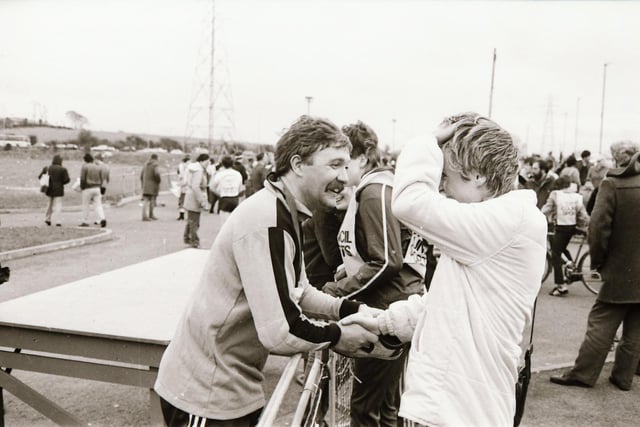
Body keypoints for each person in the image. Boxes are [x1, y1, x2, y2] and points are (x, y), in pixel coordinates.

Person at [154, 116, 379, 426]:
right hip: (206, 394)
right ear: (298, 164)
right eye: (335, 164)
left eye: (346, 166)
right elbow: (280, 332)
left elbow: (300, 293)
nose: (345, 177)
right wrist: (340, 336)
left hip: (230, 388)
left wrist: (355, 310)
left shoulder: (285, 210)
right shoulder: (268, 219)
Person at [342, 113, 547, 426]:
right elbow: (446, 303)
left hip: (462, 409)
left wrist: (428, 140)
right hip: (458, 404)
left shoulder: (509, 220)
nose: (441, 187)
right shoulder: (494, 224)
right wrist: (383, 321)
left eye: (446, 177)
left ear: (477, 175)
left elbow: (410, 202)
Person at [321, 121, 426, 426]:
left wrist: (334, 293)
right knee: (386, 404)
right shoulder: (379, 188)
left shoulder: (375, 190)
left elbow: (385, 261)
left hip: (387, 308)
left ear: (364, 159)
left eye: (344, 163)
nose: (338, 174)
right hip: (397, 305)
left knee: (366, 407)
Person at [550, 141, 640, 391]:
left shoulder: (613, 184)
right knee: (636, 325)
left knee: (601, 322)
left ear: (617, 158)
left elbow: (598, 230)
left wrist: (599, 262)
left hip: (621, 269)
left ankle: (583, 374)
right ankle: (623, 377)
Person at [541, 176, 590, 296]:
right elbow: (583, 214)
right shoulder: (576, 197)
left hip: (559, 227)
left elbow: (546, 209)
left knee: (556, 255)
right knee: (561, 248)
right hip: (571, 228)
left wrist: (536, 216)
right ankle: (570, 265)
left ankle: (561, 286)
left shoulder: (555, 195)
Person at [183, 153, 210, 248]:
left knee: (191, 219)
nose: (208, 163)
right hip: (195, 198)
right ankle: (194, 240)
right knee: (194, 221)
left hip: (190, 196)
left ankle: (187, 237)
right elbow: (196, 186)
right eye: (207, 161)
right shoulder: (199, 171)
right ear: (202, 161)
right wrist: (202, 201)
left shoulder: (192, 169)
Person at [210, 155, 244, 223]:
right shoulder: (238, 174)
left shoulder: (220, 174)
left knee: (224, 222)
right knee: (233, 221)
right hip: (234, 198)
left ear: (222, 164)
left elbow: (212, 187)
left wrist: (219, 194)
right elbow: (241, 189)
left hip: (224, 198)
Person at [39, 154, 70, 226]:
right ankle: (58, 221)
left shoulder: (48, 168)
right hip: (59, 189)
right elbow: (67, 180)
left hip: (49, 188)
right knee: (58, 205)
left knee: (49, 204)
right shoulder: (63, 169)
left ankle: (47, 218)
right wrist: (61, 183)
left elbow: (40, 177)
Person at [79, 153, 107, 227]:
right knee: (98, 205)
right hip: (97, 188)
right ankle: (102, 218)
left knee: (86, 205)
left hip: (88, 188)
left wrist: (82, 187)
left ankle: (85, 221)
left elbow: (83, 178)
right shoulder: (98, 167)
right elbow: (102, 178)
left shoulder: (85, 167)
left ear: (85, 160)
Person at [140, 153, 162, 221]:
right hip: (153, 185)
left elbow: (141, 175)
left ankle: (144, 216)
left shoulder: (145, 164)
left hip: (145, 185)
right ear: (156, 158)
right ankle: (151, 215)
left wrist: (143, 183)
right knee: (152, 200)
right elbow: (157, 173)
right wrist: (158, 180)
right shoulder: (155, 164)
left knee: (145, 200)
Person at [176, 155, 190, 220]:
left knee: (182, 201)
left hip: (183, 186)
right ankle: (183, 215)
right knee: (185, 201)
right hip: (186, 187)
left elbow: (179, 175)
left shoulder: (181, 167)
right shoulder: (188, 168)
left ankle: (181, 215)